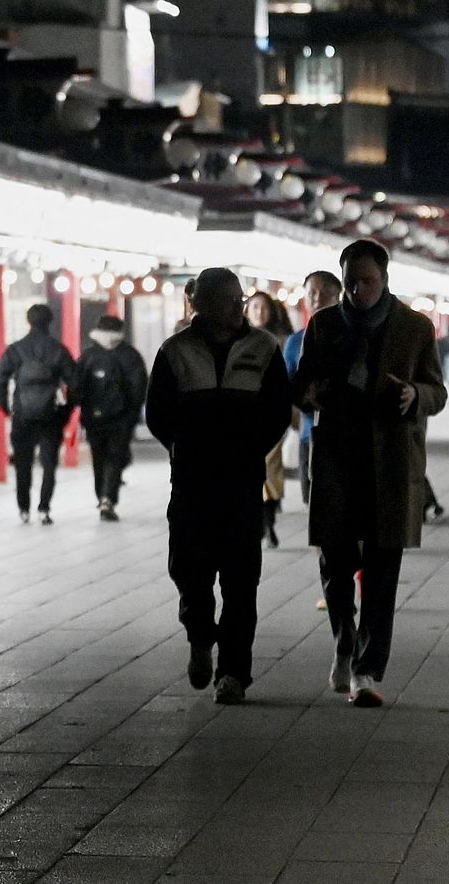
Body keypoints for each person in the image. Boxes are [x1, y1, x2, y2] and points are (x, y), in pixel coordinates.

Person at [291, 238, 447, 709]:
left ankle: (367, 669)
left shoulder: (414, 328)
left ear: (385, 279)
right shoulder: (323, 325)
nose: (358, 292)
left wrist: (414, 396)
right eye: (350, 282)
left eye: (368, 282)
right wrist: (309, 393)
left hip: (391, 460)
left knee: (382, 568)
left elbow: (437, 391)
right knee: (336, 562)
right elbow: (300, 385)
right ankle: (344, 640)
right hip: (339, 455)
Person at [146, 268, 293, 705]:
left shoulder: (262, 348)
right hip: (192, 481)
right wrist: (184, 446)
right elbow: (158, 414)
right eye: (229, 300)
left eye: (240, 298)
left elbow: (277, 411)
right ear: (203, 305)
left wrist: (249, 450)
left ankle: (233, 673)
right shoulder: (175, 351)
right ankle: (198, 634)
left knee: (241, 580)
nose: (239, 306)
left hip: (242, 483)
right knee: (189, 570)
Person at [0, 304, 77, 524]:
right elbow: (75, 383)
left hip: (23, 415)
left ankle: (23, 509)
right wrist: (65, 411)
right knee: (49, 464)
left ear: (28, 321)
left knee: (23, 464)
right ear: (50, 322)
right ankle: (44, 508)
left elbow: (0, 381)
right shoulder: (58, 349)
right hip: (50, 416)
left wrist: (7, 409)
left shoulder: (16, 349)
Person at [74, 313, 149, 521]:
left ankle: (101, 496)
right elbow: (139, 387)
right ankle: (109, 498)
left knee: (99, 457)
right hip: (121, 418)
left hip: (93, 417)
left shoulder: (88, 355)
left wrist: (82, 409)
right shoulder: (130, 355)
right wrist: (133, 415)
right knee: (115, 457)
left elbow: (77, 386)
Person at [244, 290, 296, 548]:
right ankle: (261, 522)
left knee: (271, 466)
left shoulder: (284, 340)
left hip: (275, 412)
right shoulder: (238, 339)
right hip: (245, 414)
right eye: (254, 307)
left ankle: (268, 520)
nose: (258, 312)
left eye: (263, 307)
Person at [285, 271, 341, 507]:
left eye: (324, 292)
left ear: (338, 295)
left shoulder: (351, 336)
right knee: (314, 503)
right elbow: (286, 383)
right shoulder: (296, 341)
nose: (317, 298)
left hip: (345, 434)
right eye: (311, 293)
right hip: (310, 433)